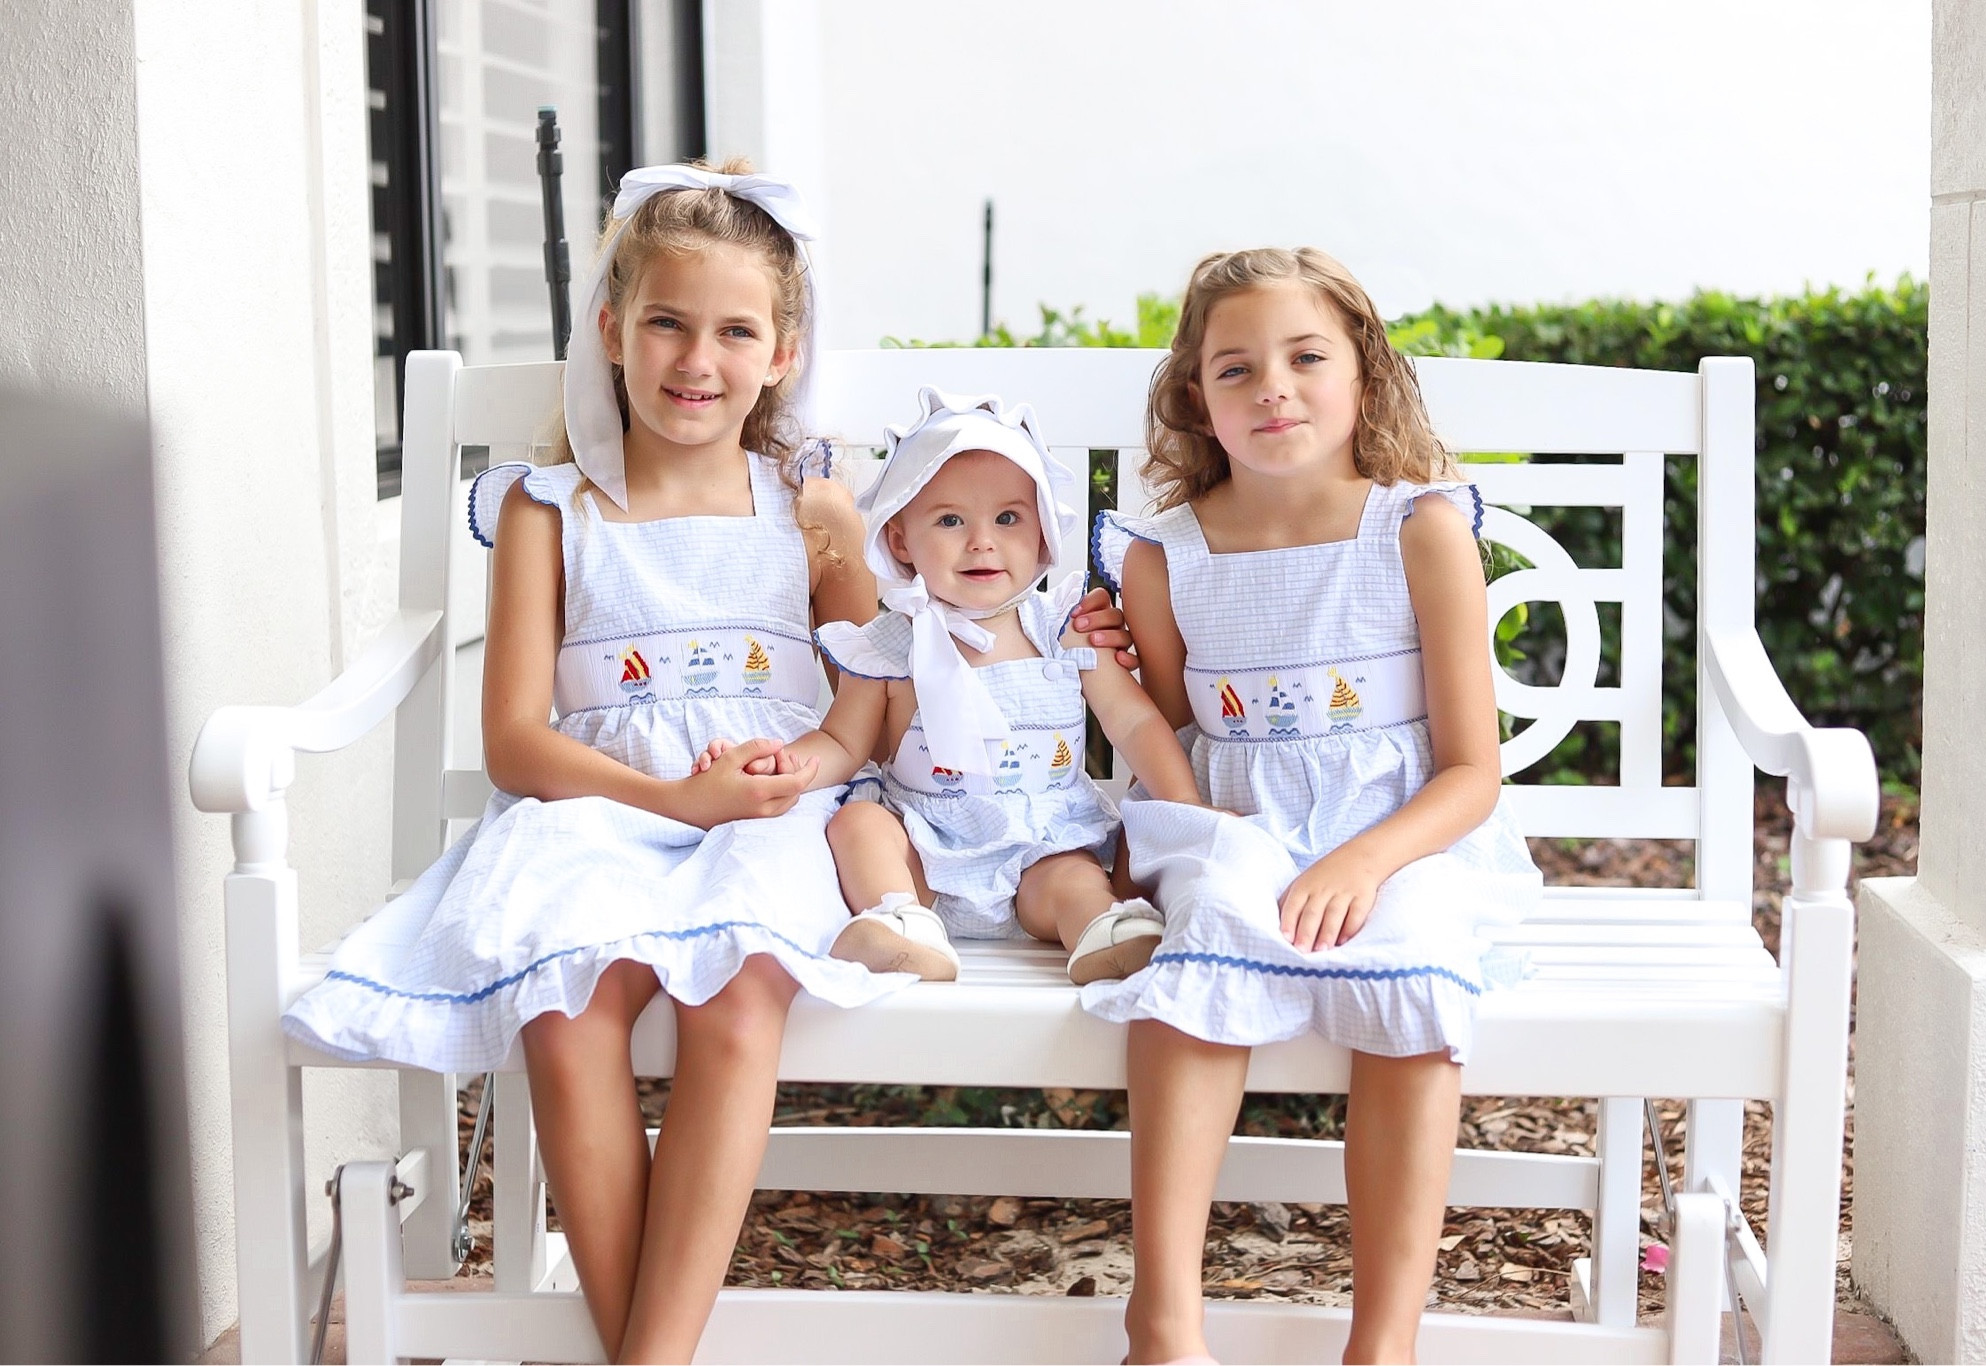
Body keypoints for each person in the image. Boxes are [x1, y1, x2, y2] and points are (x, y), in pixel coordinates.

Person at [281, 162, 1130, 1363]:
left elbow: (888, 664)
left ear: (782, 353)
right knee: (569, 1003)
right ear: (613, 329)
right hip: (596, 806)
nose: (697, 359)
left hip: (774, 804)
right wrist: (671, 794)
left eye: (735, 330)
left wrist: (1055, 645)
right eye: (668, 323)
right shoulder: (549, 505)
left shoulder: (811, 500)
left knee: (738, 996)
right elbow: (515, 741)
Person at [1085, 248, 1542, 1364]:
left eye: (1303, 357)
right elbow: (1164, 736)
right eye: (1233, 369)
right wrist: (1099, 676)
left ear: (1364, 378)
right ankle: (1164, 1322)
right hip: (1235, 827)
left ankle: (1380, 1340)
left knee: (1416, 971)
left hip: (1405, 832)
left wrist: (1365, 862)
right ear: (1197, 397)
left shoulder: (1418, 529)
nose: (1270, 388)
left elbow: (1470, 771)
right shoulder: (1167, 554)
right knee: (1202, 947)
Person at [696, 387, 1199, 985]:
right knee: (858, 826)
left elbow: (1135, 723)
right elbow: (841, 744)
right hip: (923, 853)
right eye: (950, 520)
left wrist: (1188, 811)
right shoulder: (889, 643)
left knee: (1073, 879)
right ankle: (900, 923)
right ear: (901, 540)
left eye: (1008, 518)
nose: (981, 541)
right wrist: (776, 764)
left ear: (1043, 535)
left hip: (1035, 849)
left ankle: (1098, 930)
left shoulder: (1063, 630)